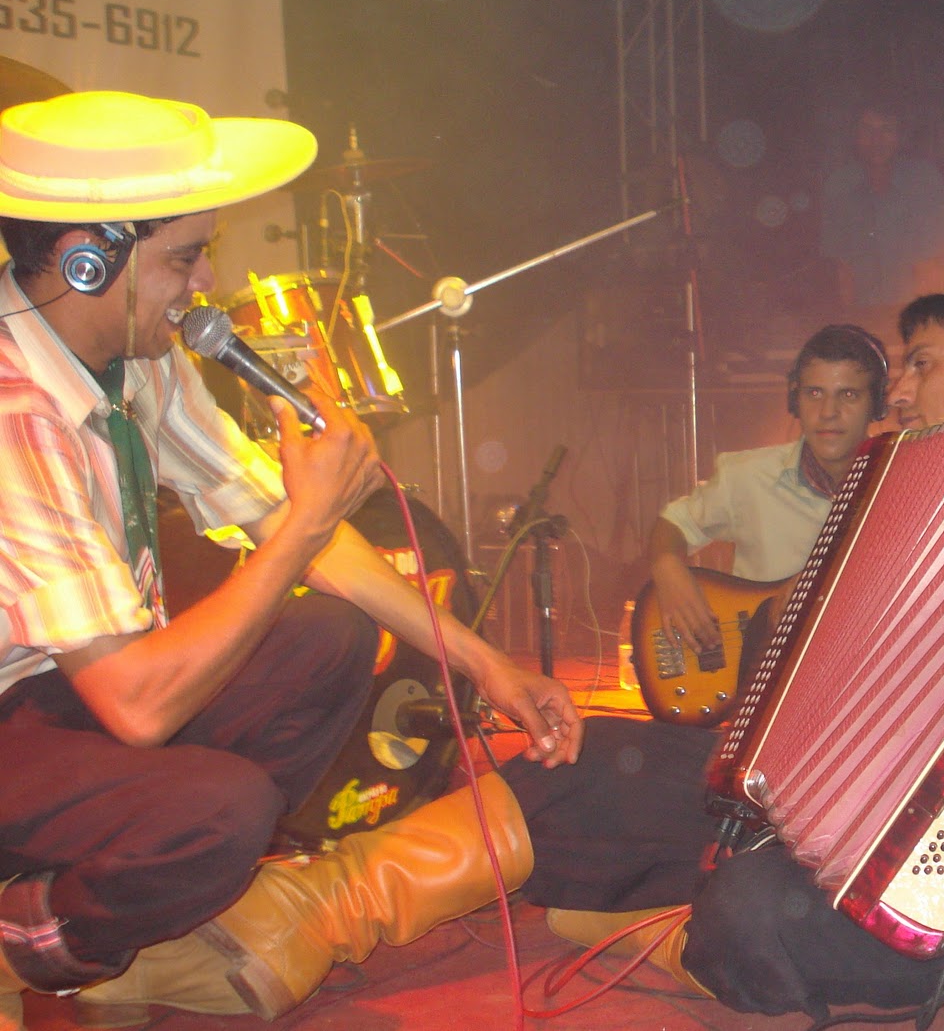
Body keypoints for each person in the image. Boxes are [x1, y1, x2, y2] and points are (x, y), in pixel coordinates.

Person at [0, 90, 581, 1029]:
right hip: (16, 715)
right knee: (219, 811)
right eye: (184, 260)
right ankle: (45, 937)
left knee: (325, 636)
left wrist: (485, 663)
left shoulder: (137, 361)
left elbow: (286, 525)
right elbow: (137, 704)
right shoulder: (16, 413)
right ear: (87, 258)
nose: (202, 289)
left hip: (66, 691)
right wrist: (305, 527)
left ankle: (151, 898)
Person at [542, 273, 944, 1020]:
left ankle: (664, 927)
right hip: (810, 809)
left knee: (755, 910)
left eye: (921, 363)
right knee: (588, 758)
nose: (899, 391)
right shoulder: (904, 494)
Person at [646, 322, 889, 655]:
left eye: (848, 395)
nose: (828, 413)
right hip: (750, 682)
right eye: (814, 393)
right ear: (794, 400)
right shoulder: (746, 476)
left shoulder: (901, 488)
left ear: (876, 405)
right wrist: (667, 569)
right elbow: (674, 523)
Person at [820, 100, 944, 322]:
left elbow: (933, 262)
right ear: (855, 135)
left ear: (901, 135)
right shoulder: (839, 186)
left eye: (887, 130)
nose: (877, 140)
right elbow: (840, 268)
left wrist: (929, 322)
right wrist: (848, 322)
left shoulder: (924, 180)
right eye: (868, 130)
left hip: (916, 314)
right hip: (861, 316)